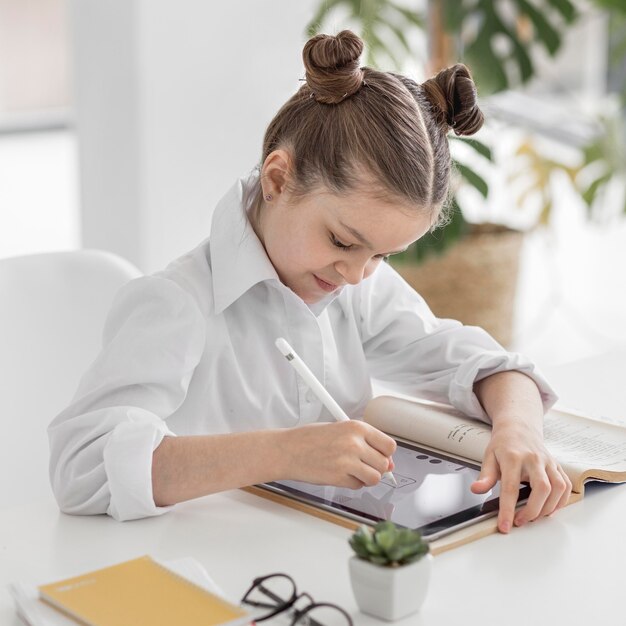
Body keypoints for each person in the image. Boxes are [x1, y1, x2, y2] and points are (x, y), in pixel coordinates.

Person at [49, 30, 572, 531]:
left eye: (383, 255)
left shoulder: (357, 287)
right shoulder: (178, 303)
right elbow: (81, 469)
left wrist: (519, 429)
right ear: (278, 179)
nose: (356, 273)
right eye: (343, 241)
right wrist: (286, 451)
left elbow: (480, 362)